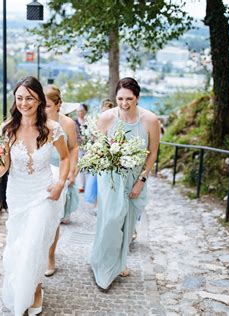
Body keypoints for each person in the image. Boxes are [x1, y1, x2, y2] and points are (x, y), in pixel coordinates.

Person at [0, 76, 70, 315]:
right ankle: (24, 289)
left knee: (34, 245)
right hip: (17, 195)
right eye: (19, 98)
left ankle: (36, 288)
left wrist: (61, 182)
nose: (24, 103)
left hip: (43, 194)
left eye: (29, 98)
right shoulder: (7, 129)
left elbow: (65, 158)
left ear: (39, 100)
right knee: (18, 246)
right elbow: (4, 166)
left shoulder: (52, 128)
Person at [90, 77, 160, 290]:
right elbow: (98, 149)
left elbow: (153, 152)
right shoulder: (106, 118)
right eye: (120, 98)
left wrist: (142, 180)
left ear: (137, 98)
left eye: (129, 99)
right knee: (111, 219)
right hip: (110, 177)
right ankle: (103, 265)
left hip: (135, 177)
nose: (124, 103)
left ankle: (119, 262)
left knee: (127, 223)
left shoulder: (150, 120)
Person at [44, 85, 79, 277]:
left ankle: (50, 256)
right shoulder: (36, 121)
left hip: (59, 171)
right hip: (40, 170)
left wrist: (71, 171)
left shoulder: (67, 124)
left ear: (58, 105)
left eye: (47, 106)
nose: (43, 110)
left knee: (53, 218)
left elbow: (73, 148)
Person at [84, 98, 115, 205]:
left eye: (108, 111)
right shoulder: (97, 121)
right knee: (95, 181)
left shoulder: (115, 122)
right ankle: (97, 204)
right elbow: (93, 137)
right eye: (104, 111)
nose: (105, 113)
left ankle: (105, 204)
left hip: (110, 153)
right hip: (98, 153)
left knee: (106, 181)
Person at [75, 103, 88, 193]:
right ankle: (81, 185)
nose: (80, 113)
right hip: (79, 147)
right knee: (80, 166)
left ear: (85, 111)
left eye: (81, 111)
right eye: (78, 111)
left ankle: (88, 184)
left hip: (89, 147)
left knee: (88, 166)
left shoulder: (89, 122)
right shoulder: (74, 122)